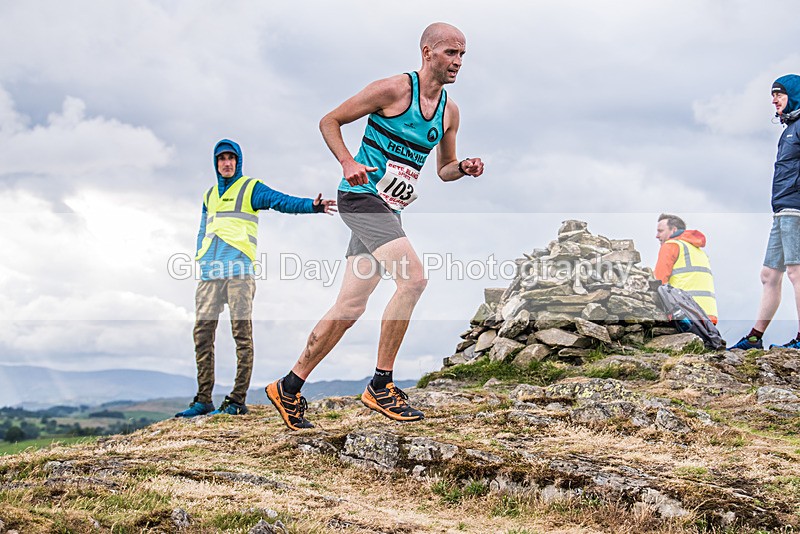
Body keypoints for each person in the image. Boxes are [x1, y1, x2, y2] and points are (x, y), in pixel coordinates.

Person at [266, 22, 484, 430]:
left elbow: (444, 169)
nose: (457, 62)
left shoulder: (449, 112)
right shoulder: (393, 90)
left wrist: (464, 168)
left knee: (350, 307)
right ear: (427, 52)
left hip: (390, 209)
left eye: (462, 55)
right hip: (361, 198)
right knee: (413, 280)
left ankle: (288, 387)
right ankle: (381, 386)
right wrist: (348, 162)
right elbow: (329, 121)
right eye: (450, 53)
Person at [175, 139, 336, 417]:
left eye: (231, 158)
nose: (226, 162)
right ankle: (203, 400)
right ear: (216, 163)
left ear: (238, 161)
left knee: (241, 335)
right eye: (221, 158)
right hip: (209, 275)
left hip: (239, 273)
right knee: (202, 335)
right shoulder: (209, 195)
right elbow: (203, 229)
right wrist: (200, 257)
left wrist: (312, 206)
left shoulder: (251, 188)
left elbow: (280, 201)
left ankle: (236, 401)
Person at [728, 74, 800, 350]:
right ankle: (754, 338)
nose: (774, 100)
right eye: (772, 95)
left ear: (794, 95)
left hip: (796, 209)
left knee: (796, 272)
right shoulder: (789, 129)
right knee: (769, 275)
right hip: (782, 209)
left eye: (779, 94)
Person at [654, 214, 718, 324]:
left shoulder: (671, 246)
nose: (657, 236)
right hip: (709, 315)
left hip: (686, 314)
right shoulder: (698, 251)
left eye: (660, 231)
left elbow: (658, 281)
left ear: (674, 230)